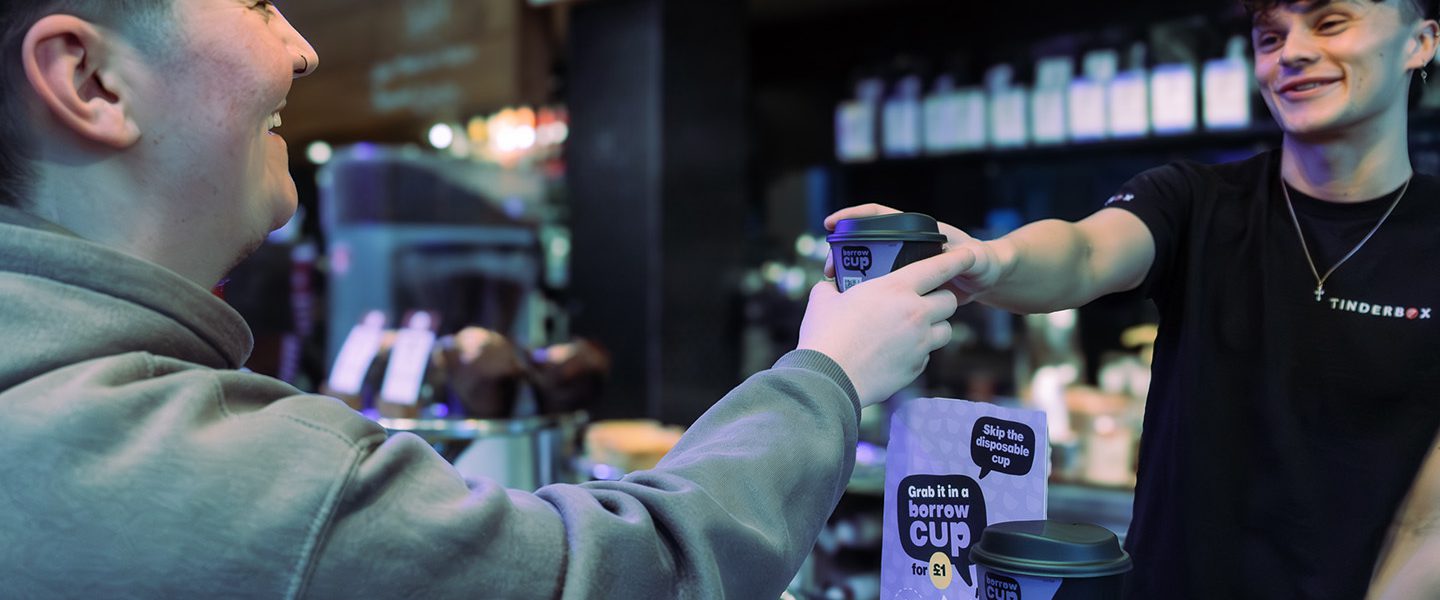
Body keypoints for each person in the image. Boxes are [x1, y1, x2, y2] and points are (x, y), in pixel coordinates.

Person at [0, 1, 966, 597]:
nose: (302, 49)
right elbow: (649, 575)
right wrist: (828, 374)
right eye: (255, 0)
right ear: (89, 78)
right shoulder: (226, 474)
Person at [827, 0, 1438, 597]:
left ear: (1421, 42)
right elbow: (1084, 252)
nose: (1294, 52)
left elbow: (1430, 520)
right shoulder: (1197, 201)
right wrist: (991, 261)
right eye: (1270, 37)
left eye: (1330, 22)